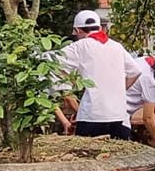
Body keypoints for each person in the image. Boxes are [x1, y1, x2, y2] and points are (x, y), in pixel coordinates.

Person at [58, 9, 144, 140]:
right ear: (99, 28)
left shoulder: (80, 46)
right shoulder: (117, 46)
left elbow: (53, 63)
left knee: (87, 151)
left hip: (92, 115)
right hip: (118, 115)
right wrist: (119, 89)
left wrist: (67, 85)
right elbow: (135, 71)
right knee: (119, 151)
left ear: (77, 30)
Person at [127, 51, 155, 145]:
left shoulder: (146, 61)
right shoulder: (153, 83)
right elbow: (148, 118)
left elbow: (150, 98)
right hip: (119, 115)